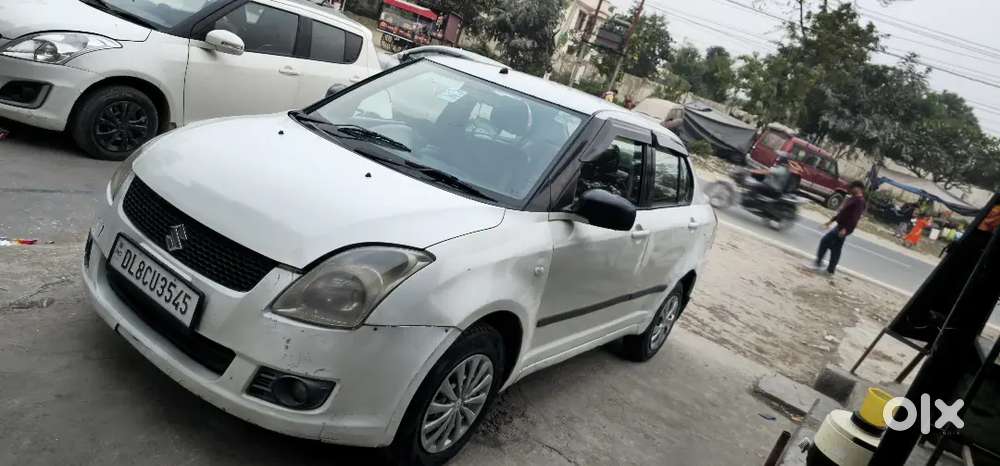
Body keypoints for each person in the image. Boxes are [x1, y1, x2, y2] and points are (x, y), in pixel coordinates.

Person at [815, 181, 867, 275]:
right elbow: (843, 212)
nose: (850, 190)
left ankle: (824, 267)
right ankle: (827, 268)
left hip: (843, 228)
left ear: (858, 188)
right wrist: (831, 221)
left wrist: (846, 229)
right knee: (834, 248)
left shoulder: (860, 201)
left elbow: (855, 218)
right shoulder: (853, 198)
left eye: (851, 188)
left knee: (827, 243)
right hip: (840, 226)